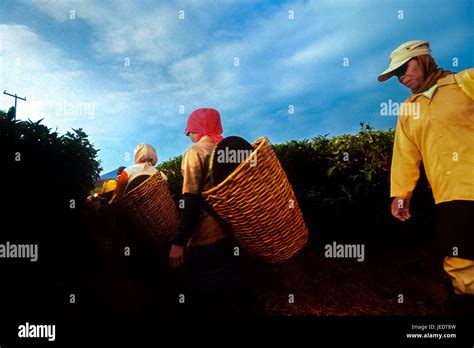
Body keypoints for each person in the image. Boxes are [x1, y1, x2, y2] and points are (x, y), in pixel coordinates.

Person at [378, 40, 474, 314]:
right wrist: (401, 194)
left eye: (404, 68)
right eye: (397, 75)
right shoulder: (408, 110)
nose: (402, 78)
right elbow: (406, 155)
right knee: (461, 260)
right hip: (451, 195)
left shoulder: (464, 82)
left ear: (423, 59)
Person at [169, 107, 259, 318]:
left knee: (198, 297)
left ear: (199, 128)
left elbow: (190, 199)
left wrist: (179, 241)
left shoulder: (195, 152)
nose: (187, 134)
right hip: (232, 234)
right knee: (237, 295)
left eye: (190, 129)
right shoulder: (228, 150)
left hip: (205, 240)